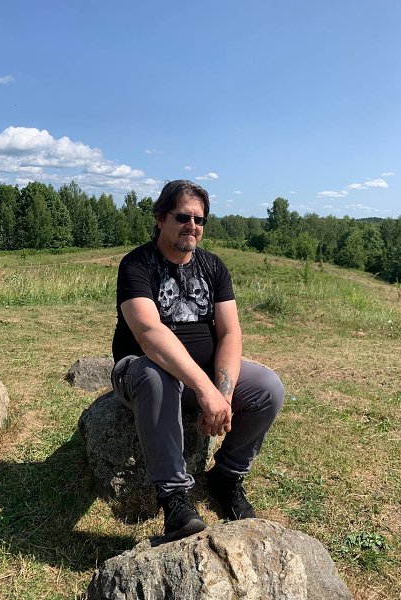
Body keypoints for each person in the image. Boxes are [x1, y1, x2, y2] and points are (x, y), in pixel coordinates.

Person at [111, 180, 284, 541]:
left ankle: (227, 476)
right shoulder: (136, 265)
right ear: (160, 218)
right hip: (139, 374)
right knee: (156, 375)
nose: (192, 225)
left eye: (199, 219)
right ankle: (174, 498)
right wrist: (206, 390)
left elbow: (230, 333)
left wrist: (223, 393)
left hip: (201, 377)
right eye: (183, 217)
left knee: (268, 387)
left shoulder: (213, 267)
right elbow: (149, 334)